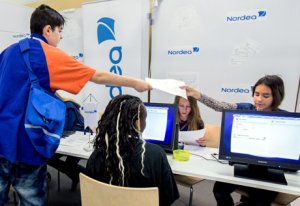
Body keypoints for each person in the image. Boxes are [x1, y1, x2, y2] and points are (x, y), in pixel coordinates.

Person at [0, 4, 151, 206]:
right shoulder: (48, 54)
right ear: (47, 30)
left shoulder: (8, 52)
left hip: (2, 140)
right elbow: (96, 76)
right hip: (27, 144)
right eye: (59, 31)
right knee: (31, 198)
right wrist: (135, 82)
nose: (61, 37)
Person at [182, 75, 285, 206]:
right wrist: (198, 95)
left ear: (276, 96)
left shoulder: (283, 118)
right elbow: (220, 106)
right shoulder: (247, 108)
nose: (259, 99)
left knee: (258, 201)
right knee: (219, 190)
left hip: (270, 171)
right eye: (256, 94)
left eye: (265, 96)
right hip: (245, 165)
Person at [86, 94, 179, 206]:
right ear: (137, 123)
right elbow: (167, 198)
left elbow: (91, 195)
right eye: (145, 119)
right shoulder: (156, 155)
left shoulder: (97, 155)